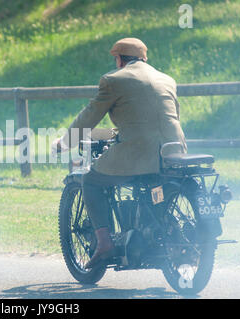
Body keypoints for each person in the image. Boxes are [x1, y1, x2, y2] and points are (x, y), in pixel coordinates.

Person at [53, 37, 187, 269]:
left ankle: (104, 244)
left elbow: (90, 116)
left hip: (138, 154)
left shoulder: (113, 80)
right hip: (173, 152)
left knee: (92, 181)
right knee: (156, 189)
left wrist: (65, 142)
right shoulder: (167, 79)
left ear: (119, 60)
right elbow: (162, 118)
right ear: (144, 58)